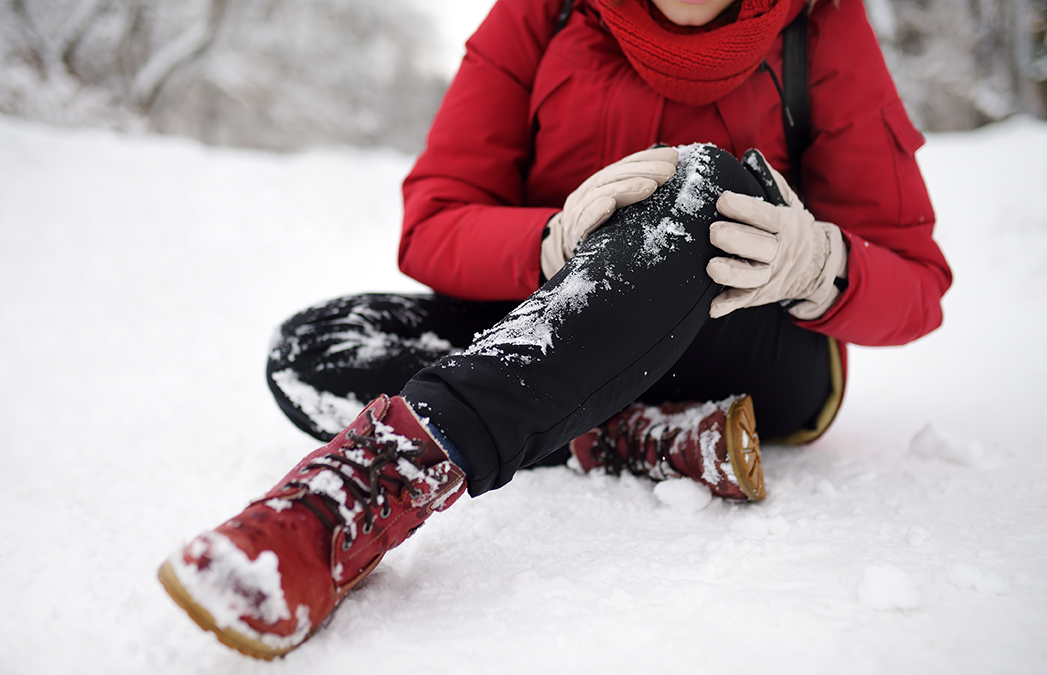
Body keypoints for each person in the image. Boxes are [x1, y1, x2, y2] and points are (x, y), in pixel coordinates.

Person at [158, 0, 951, 660]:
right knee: (315, 348)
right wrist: (553, 242)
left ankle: (364, 488)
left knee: (698, 183)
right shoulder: (543, 11)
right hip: (561, 315)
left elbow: (918, 280)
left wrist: (821, 263)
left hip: (750, 346)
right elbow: (433, 219)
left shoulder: (823, 24)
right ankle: (614, 433)